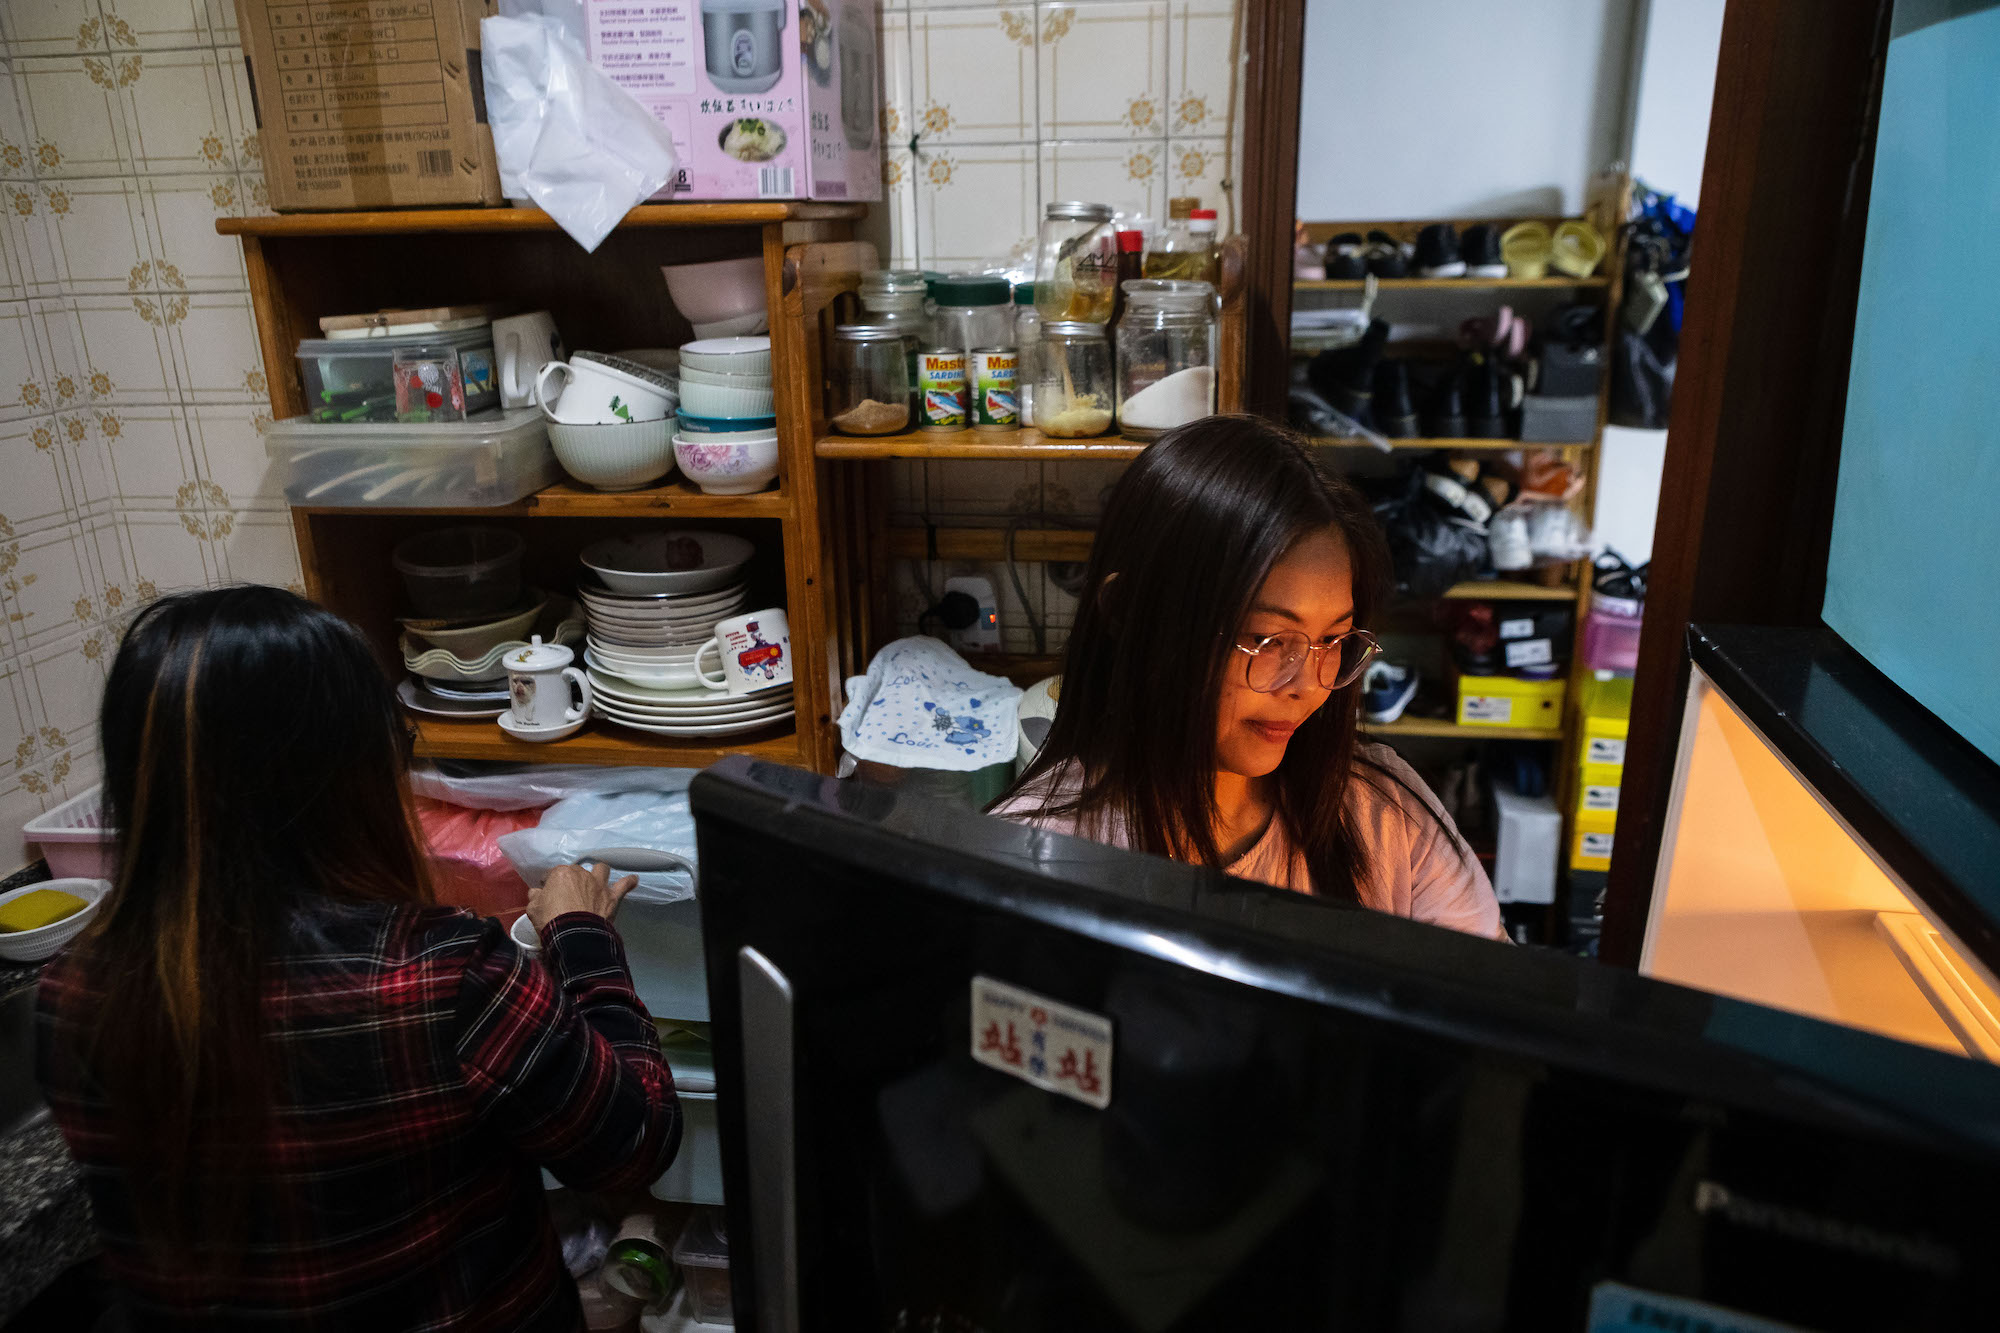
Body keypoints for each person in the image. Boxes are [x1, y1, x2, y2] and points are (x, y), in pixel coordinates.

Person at [36, 586, 681, 1330]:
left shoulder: (73, 991)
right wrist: (583, 934)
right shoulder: (443, 977)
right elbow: (635, 1141)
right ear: (344, 778)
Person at [993, 416, 1504, 939]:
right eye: (1266, 639)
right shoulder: (1038, 861)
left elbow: (1495, 1002)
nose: (1307, 686)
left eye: (1333, 640)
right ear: (1130, 613)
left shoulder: (1383, 812)